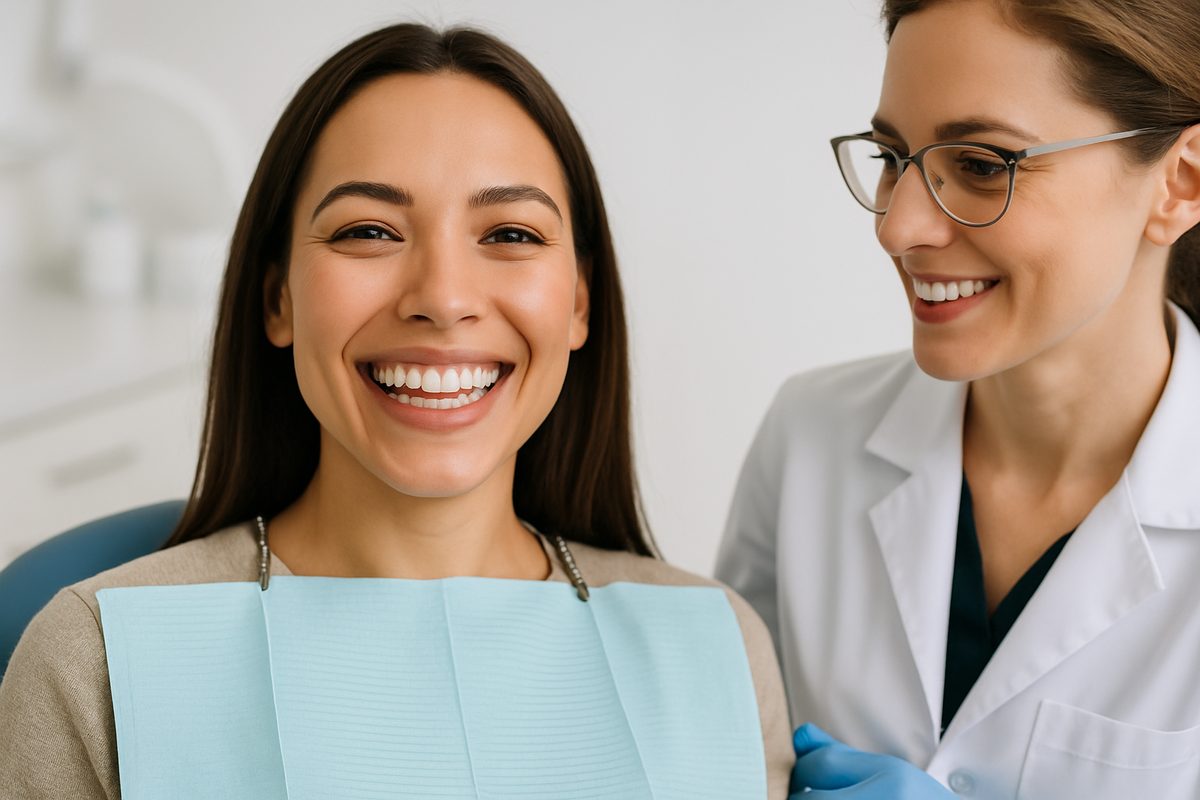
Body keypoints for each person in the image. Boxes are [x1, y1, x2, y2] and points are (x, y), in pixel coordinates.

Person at [0, 24, 793, 798]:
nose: (443, 298)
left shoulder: (720, 650)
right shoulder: (93, 662)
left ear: (579, 303)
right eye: (369, 231)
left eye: (511, 232)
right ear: (278, 298)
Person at [717, 1, 1200, 798]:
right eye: (893, 155)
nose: (899, 227)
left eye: (981, 164)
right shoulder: (809, 438)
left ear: (1180, 182)